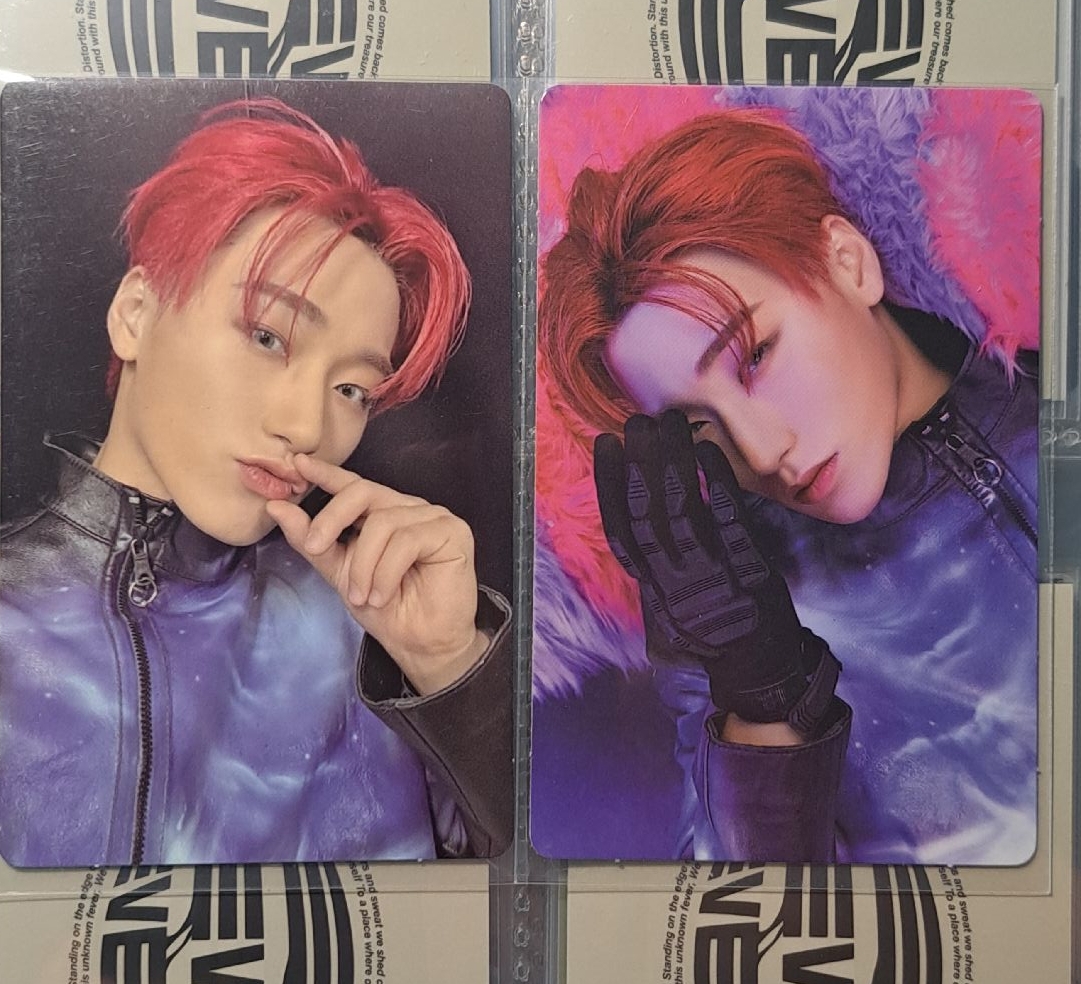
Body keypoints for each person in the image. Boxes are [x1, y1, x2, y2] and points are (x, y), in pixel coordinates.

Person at [0, 97, 512, 867]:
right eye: (269, 336)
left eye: (352, 390)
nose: (306, 426)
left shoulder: (370, 637)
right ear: (135, 313)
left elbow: (531, 908)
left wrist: (450, 666)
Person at [535, 98, 1038, 864]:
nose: (762, 451)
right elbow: (742, 902)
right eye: (697, 426)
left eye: (756, 356)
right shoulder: (726, 610)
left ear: (847, 262)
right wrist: (759, 704)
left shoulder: (1050, 405)